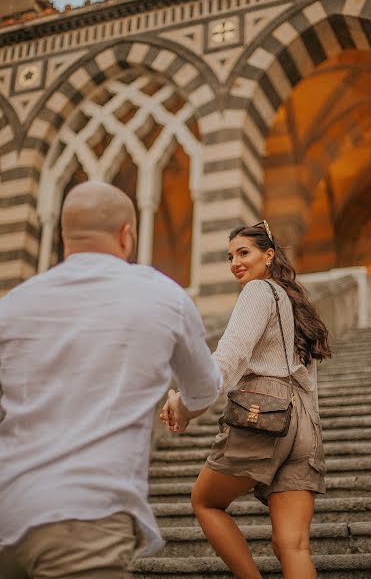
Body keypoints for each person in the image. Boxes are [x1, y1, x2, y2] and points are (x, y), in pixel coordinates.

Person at [0, 181, 223, 579]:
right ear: (127, 235)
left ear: (64, 236)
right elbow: (205, 388)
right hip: (85, 516)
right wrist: (183, 408)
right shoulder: (162, 296)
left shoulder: (14, 304)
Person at [162, 221, 330, 579]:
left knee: (205, 502)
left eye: (244, 252)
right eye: (230, 256)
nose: (235, 262)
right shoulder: (297, 305)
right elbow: (308, 381)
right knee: (293, 545)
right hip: (305, 425)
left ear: (268, 255)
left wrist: (186, 406)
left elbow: (229, 357)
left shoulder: (257, 292)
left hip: (264, 409)